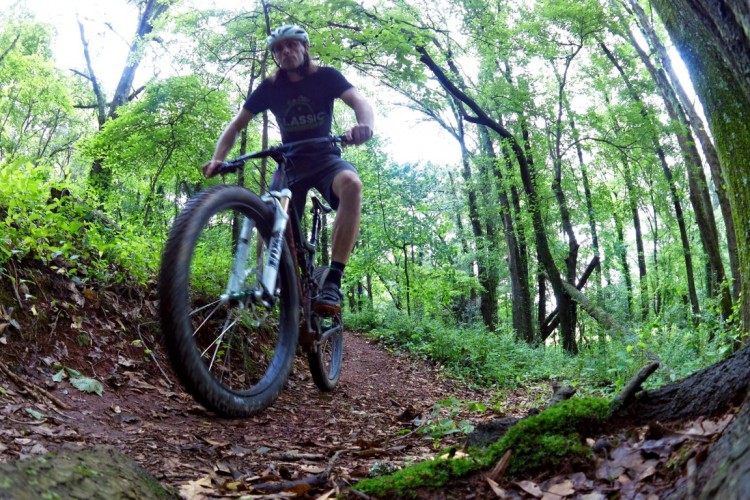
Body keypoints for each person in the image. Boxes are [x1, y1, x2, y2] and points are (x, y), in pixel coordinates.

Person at [202, 24, 374, 316]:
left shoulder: (327, 76)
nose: (286, 51)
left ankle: (333, 279)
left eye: (292, 45)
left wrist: (365, 126)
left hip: (324, 157)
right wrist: (219, 158)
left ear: (305, 48)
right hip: (289, 163)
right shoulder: (270, 87)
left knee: (352, 185)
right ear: (275, 56)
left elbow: (360, 102)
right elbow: (235, 126)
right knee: (267, 218)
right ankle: (272, 289)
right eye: (279, 49)